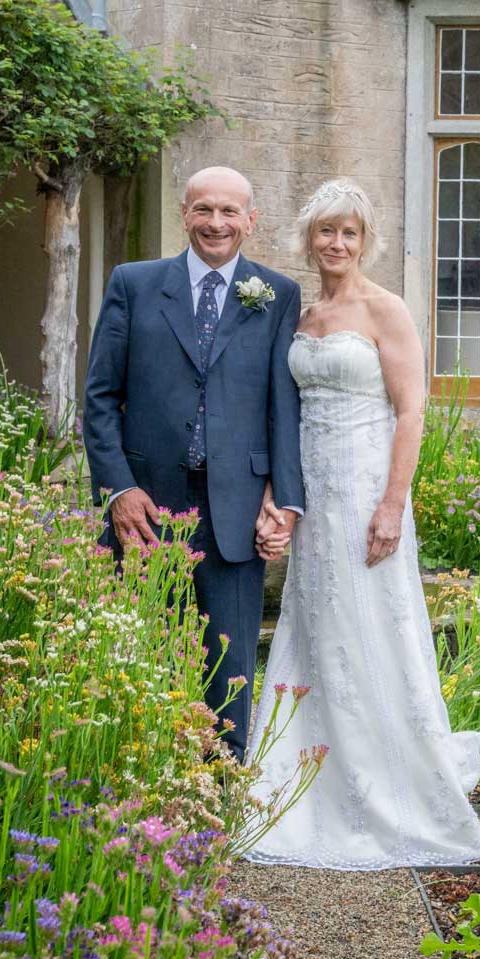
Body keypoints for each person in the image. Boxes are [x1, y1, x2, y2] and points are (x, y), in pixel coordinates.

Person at [244, 178, 480, 870]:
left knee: (373, 623)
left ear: (366, 239)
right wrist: (279, 496)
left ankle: (388, 776)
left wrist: (392, 503)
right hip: (314, 496)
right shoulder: (299, 312)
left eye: (350, 232)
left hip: (366, 491)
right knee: (318, 622)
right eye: (327, 231)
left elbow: (411, 411)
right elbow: (282, 412)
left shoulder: (387, 310)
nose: (338, 243)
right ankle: (307, 759)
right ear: (309, 237)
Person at [81, 166, 305, 759]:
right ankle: (147, 772)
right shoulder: (134, 283)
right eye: (204, 209)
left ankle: (223, 783)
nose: (216, 223)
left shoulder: (277, 295)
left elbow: (284, 409)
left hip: (235, 506)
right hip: (145, 506)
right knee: (144, 649)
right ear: (184, 214)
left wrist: (284, 501)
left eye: (230, 212)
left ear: (251, 220)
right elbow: (100, 398)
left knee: (229, 660)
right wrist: (118, 490)